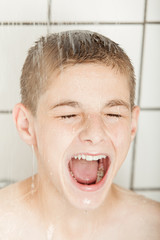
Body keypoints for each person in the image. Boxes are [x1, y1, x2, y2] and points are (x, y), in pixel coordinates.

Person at [0, 30, 159, 239]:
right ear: (26, 125)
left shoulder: (152, 227)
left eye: (113, 114)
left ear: (132, 124)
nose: (95, 133)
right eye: (69, 115)